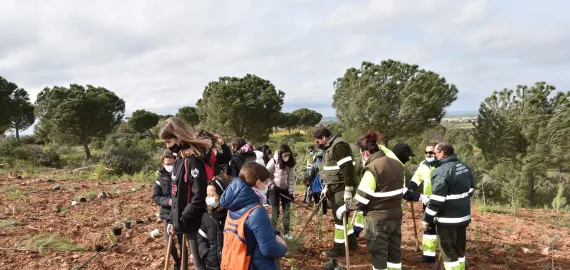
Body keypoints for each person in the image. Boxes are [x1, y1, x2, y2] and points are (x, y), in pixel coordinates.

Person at [337, 131, 404, 270]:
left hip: (378, 221)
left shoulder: (372, 169)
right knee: (394, 255)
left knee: (379, 255)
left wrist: (346, 207)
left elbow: (361, 199)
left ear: (365, 152)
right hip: (396, 217)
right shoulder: (397, 165)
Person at [159, 117, 211, 270]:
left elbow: (199, 196)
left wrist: (182, 218)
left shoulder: (191, 160)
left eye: (169, 142)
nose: (168, 147)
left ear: (179, 137)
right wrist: (172, 221)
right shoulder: (180, 158)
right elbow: (176, 195)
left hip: (194, 222)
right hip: (183, 222)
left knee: (200, 264)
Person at [220, 162, 288, 269]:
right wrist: (283, 247)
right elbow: (269, 250)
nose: (266, 186)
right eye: (265, 182)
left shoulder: (233, 205)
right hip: (256, 265)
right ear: (258, 182)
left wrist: (274, 234)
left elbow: (252, 231)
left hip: (237, 262)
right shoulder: (256, 211)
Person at [422, 142, 474, 270]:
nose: (433, 156)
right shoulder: (464, 167)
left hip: (447, 220)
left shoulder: (441, 172)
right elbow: (471, 189)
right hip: (463, 217)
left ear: (441, 153)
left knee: (448, 252)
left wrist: (427, 218)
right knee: (459, 250)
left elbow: (437, 200)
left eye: (435, 153)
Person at [312, 127, 358, 258]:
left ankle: (339, 249)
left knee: (339, 218)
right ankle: (352, 242)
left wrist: (348, 190)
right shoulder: (329, 147)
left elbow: (347, 169)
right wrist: (326, 186)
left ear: (324, 138)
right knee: (342, 217)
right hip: (334, 187)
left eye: (318, 142)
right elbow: (330, 169)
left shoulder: (339, 146)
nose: (317, 145)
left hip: (341, 187)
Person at [403, 143, 438, 263]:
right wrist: (409, 190)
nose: (428, 155)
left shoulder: (442, 165)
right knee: (428, 227)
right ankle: (429, 256)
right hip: (428, 201)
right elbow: (416, 178)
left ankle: (452, 256)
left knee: (445, 228)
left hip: (442, 201)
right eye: (426, 152)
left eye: (431, 152)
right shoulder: (423, 165)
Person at [152, 151, 184, 270]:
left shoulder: (180, 173)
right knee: (169, 244)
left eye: (172, 163)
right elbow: (156, 197)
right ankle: (177, 261)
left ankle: (183, 264)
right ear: (163, 163)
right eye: (167, 163)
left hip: (180, 214)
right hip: (167, 214)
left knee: (182, 243)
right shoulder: (160, 179)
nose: (170, 165)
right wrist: (168, 201)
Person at [197, 178, 229, 270]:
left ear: (221, 195)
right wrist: (205, 252)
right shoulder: (206, 217)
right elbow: (201, 237)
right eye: (207, 195)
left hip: (229, 263)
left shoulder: (231, 216)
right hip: (212, 264)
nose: (208, 198)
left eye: (211, 195)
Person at [266, 144, 296, 239]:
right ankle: (271, 232)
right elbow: (266, 174)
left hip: (285, 189)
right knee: (275, 212)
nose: (286, 157)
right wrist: (271, 185)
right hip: (274, 190)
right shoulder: (273, 161)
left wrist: (291, 193)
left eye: (288, 155)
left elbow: (291, 179)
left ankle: (286, 233)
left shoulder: (290, 164)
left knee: (286, 212)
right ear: (280, 154)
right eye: (284, 155)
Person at [306, 152, 327, 217]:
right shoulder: (325, 165)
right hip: (324, 184)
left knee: (316, 199)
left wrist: (309, 183)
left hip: (315, 185)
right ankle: (324, 213)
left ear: (316, 157)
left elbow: (310, 176)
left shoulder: (314, 165)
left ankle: (317, 212)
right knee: (323, 197)